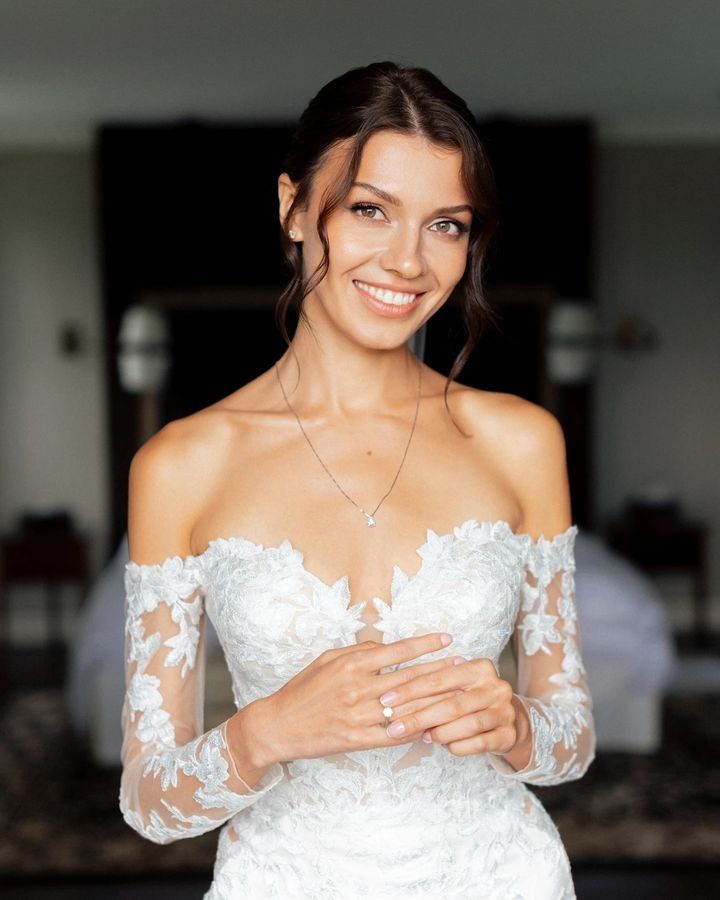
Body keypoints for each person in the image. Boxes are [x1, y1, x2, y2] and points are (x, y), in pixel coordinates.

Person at [119, 61, 596, 899]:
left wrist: (517, 724)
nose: (408, 261)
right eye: (370, 210)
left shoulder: (521, 441)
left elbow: (571, 742)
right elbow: (150, 801)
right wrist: (264, 731)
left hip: (500, 876)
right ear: (294, 208)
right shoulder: (181, 466)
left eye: (446, 225)